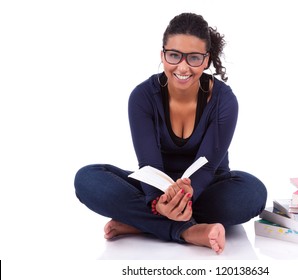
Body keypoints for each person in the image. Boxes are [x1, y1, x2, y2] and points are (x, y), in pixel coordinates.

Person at [74, 12, 267, 255]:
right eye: (174, 55)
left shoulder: (224, 100)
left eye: (194, 58)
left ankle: (142, 223)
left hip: (206, 187)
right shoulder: (142, 97)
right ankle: (188, 231)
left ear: (206, 60)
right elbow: (148, 166)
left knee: (253, 193)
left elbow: (206, 168)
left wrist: (183, 197)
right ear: (162, 55)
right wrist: (158, 202)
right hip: (153, 186)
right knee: (88, 178)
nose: (183, 67)